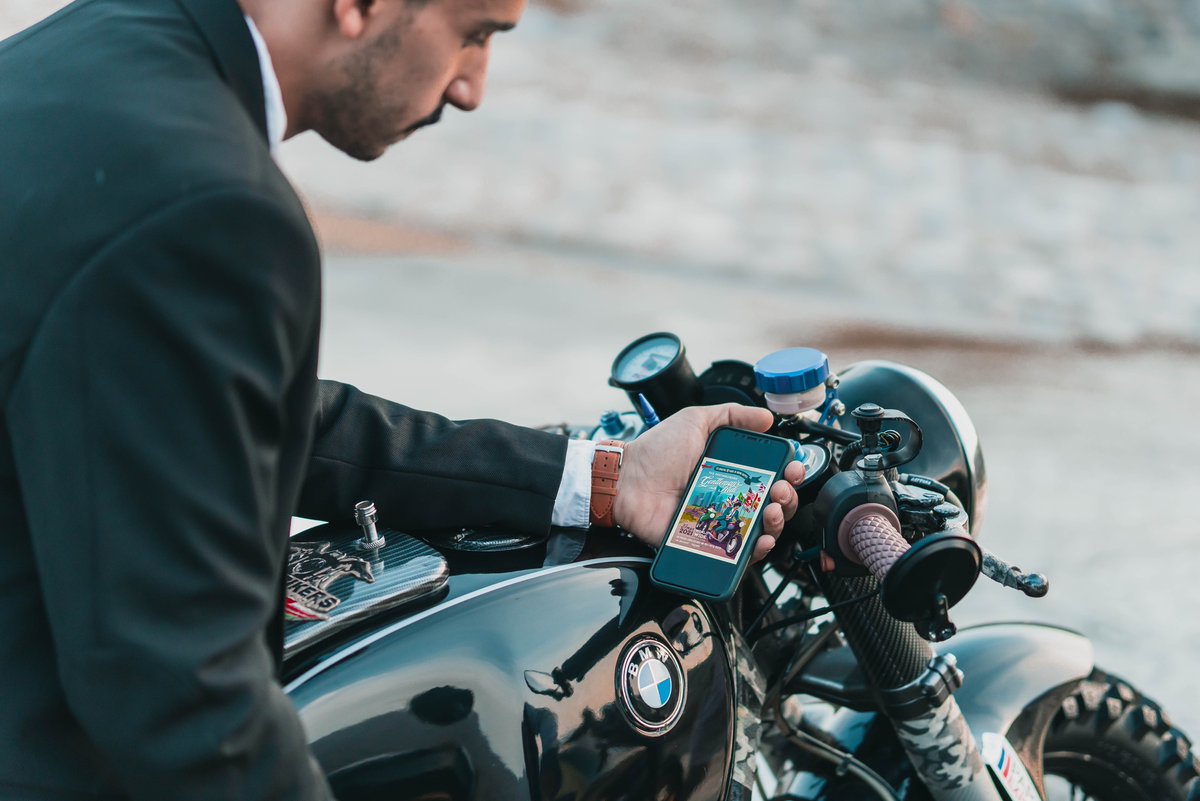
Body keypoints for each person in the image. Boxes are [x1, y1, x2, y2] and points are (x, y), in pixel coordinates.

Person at [0, 0, 805, 798]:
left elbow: (224, 412)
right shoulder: (211, 205)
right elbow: (184, 697)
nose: (471, 89)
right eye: (474, 34)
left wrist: (608, 478)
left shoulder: (92, 48)